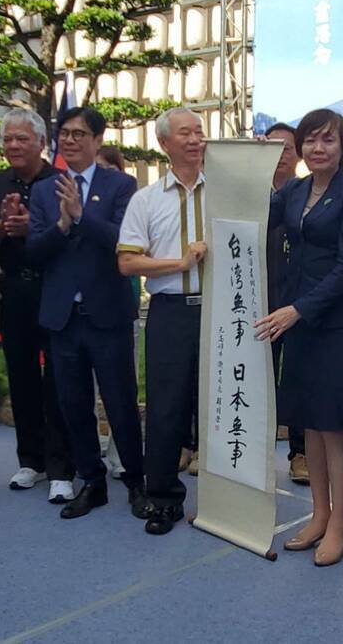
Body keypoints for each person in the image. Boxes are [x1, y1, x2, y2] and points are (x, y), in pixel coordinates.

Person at [255, 108, 343, 567]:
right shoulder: (296, 190)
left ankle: (338, 524)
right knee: (310, 421)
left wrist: (297, 309)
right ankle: (318, 514)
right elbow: (258, 218)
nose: (318, 148)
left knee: (333, 424)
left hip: (334, 322)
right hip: (298, 319)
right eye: (310, 140)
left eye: (328, 140)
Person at [27, 107, 147, 520]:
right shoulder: (45, 190)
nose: (71, 140)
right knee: (73, 404)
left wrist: (81, 216)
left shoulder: (121, 185)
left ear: (97, 140)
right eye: (65, 133)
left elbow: (124, 240)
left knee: (120, 402)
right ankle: (92, 482)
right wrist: (61, 226)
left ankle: (136, 481)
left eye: (80, 134)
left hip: (107, 313)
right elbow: (34, 252)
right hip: (63, 318)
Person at [117, 107, 206, 535]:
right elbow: (128, 262)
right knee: (166, 406)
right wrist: (181, 262)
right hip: (170, 311)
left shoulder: (226, 191)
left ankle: (229, 501)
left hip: (223, 311)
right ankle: (163, 498)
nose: (194, 140)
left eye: (199, 132)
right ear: (165, 144)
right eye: (185, 133)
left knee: (222, 404)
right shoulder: (146, 199)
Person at [0, 109, 74, 503]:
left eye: (22, 139)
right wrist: (2, 230)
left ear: (41, 143)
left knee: (58, 380)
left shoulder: (60, 182)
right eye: (8, 140)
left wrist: (32, 230)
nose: (14, 146)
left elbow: (69, 239)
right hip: (14, 292)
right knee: (21, 376)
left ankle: (61, 467)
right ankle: (30, 459)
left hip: (53, 291)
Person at [264, 122, 309, 485]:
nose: (280, 156)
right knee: (257, 383)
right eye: (272, 148)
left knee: (297, 382)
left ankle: (300, 453)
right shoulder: (251, 194)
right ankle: (254, 454)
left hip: (298, 307)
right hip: (259, 306)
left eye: (287, 149)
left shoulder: (307, 195)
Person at [95, 145, 142, 481]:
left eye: (106, 169)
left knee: (121, 387)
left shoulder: (130, 203)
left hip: (121, 306)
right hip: (83, 309)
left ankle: (122, 455)